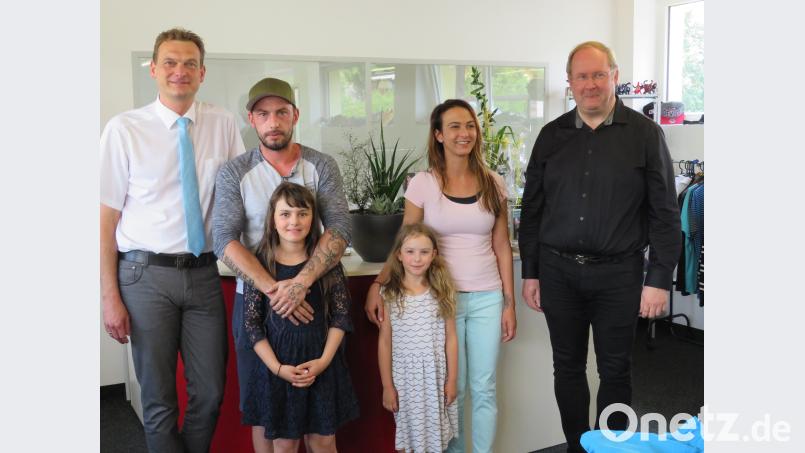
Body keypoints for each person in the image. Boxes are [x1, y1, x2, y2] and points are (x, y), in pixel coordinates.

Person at [518, 41, 681, 452]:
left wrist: (659, 279)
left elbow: (664, 213)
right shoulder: (550, 137)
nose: (590, 85)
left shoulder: (645, 135)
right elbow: (533, 210)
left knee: (616, 370)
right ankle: (578, 446)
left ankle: (610, 448)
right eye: (581, 76)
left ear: (615, 76)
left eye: (598, 75)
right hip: (558, 273)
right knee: (567, 368)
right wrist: (531, 271)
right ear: (569, 82)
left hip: (620, 275)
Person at [100, 28, 246, 452]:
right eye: (169, 62)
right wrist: (109, 296)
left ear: (202, 72)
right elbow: (104, 220)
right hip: (143, 276)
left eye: (188, 64)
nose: (179, 71)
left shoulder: (221, 123)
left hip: (202, 274)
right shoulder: (124, 129)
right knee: (159, 399)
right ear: (153, 69)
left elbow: (238, 197)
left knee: (211, 391)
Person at [365, 99, 517, 453]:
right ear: (438, 135)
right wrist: (378, 283)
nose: (464, 133)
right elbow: (405, 239)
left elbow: (502, 246)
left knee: (484, 387)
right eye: (454, 127)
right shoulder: (423, 183)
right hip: (438, 301)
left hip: (486, 296)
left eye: (469, 126)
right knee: (454, 388)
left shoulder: (494, 184)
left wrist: (509, 303)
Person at [212, 77, 351, 452]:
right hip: (257, 301)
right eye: (263, 114)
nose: (273, 122)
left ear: (295, 116)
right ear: (251, 120)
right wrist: (277, 291)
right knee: (265, 410)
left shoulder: (322, 165)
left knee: (319, 415)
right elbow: (223, 239)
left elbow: (339, 227)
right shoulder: (234, 172)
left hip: (315, 301)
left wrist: (302, 283)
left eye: (281, 113)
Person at [241, 182, 359, 453]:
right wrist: (277, 369)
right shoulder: (260, 262)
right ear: (273, 218)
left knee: (323, 441)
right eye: (285, 214)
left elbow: (341, 316)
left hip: (321, 364)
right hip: (277, 369)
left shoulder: (326, 262)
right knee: (284, 443)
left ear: (312, 217)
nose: (294, 221)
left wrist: (324, 361)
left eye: (302, 213)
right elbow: (252, 325)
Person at [378, 223, 459, 453]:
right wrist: (387, 386)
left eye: (424, 252)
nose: (417, 258)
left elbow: (451, 338)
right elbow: (385, 342)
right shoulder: (389, 293)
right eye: (410, 251)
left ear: (434, 255)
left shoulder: (442, 290)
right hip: (405, 379)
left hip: (435, 376)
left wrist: (452, 380)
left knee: (437, 438)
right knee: (407, 434)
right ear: (399, 255)